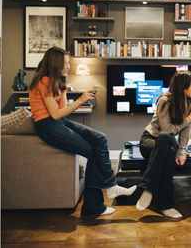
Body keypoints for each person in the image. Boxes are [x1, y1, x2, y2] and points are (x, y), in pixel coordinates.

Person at [28, 47, 136, 217]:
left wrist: (64, 87)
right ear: (56, 64)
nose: (69, 66)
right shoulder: (44, 81)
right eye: (66, 63)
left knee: (100, 138)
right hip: (47, 126)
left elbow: (62, 111)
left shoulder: (57, 81)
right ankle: (98, 202)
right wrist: (81, 99)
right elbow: (55, 115)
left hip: (58, 122)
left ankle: (109, 189)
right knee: (93, 152)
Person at [135, 71, 191, 218]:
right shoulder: (164, 100)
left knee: (167, 143)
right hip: (150, 140)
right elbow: (167, 129)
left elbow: (186, 130)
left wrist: (182, 151)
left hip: (168, 142)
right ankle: (166, 205)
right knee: (165, 139)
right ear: (183, 87)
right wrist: (189, 118)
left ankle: (148, 189)